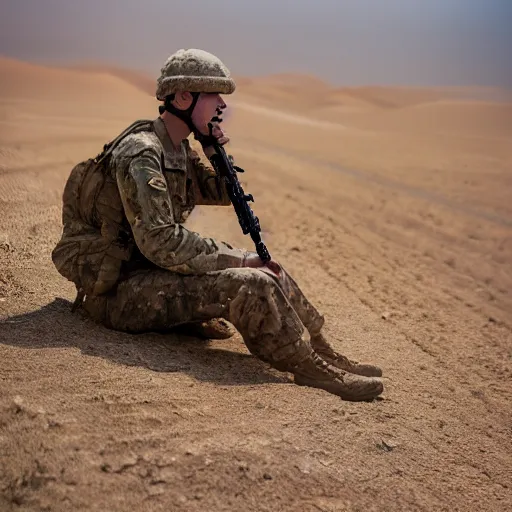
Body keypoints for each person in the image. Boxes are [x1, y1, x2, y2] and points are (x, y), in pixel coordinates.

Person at [52, 48, 384, 401]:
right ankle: (307, 365)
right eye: (213, 96)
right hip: (119, 290)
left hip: (151, 273)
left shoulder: (177, 148)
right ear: (183, 96)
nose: (222, 106)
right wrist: (239, 259)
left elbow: (218, 193)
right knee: (250, 284)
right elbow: (161, 241)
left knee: (271, 269)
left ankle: (321, 348)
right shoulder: (143, 151)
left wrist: (214, 152)